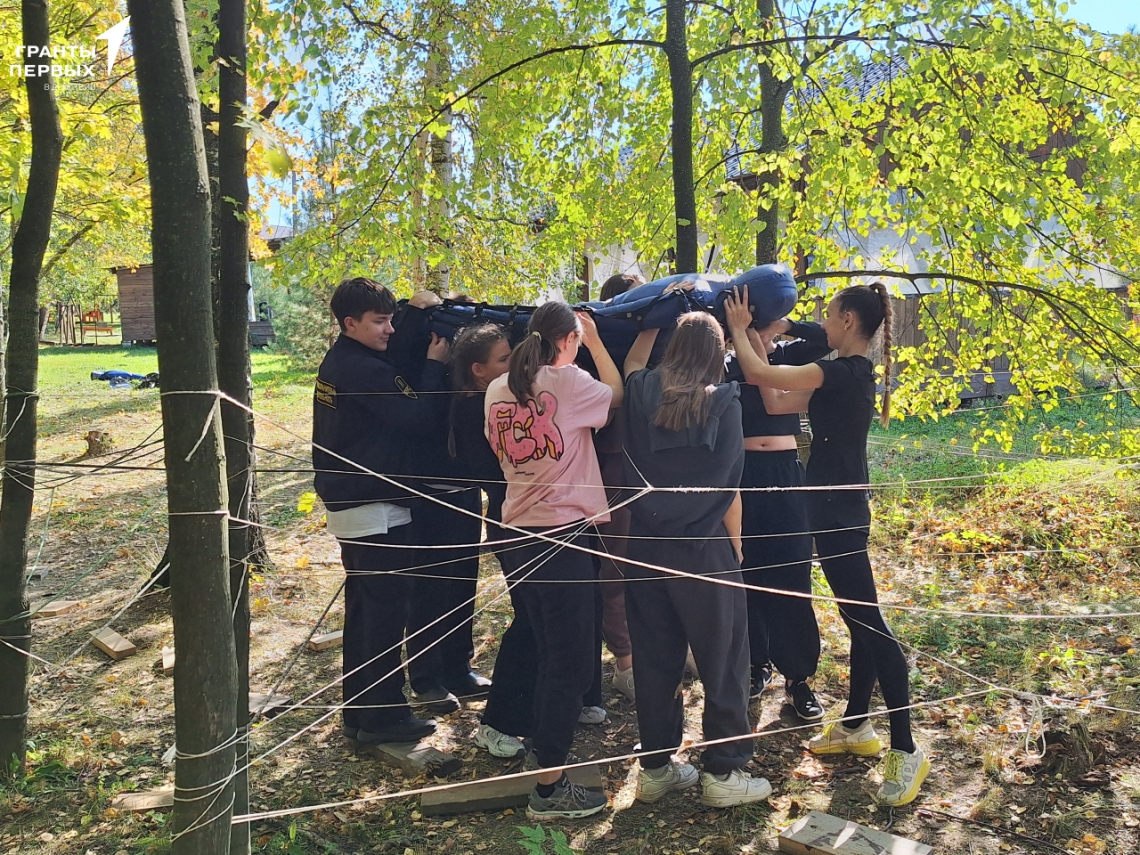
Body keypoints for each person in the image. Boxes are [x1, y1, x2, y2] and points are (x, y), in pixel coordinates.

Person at [724, 283, 930, 807]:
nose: (824, 322)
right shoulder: (843, 371)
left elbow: (759, 374)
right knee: (856, 617)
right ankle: (857, 725)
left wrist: (740, 329)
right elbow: (773, 396)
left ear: (850, 322)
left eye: (831, 315)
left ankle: (906, 749)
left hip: (839, 514)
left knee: (872, 626)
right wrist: (770, 331)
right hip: (830, 508)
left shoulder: (841, 371)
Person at [620, 313, 773, 809]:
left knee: (655, 657)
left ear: (674, 346)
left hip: (644, 548)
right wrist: (739, 544)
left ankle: (658, 768)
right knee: (724, 658)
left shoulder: (641, 390)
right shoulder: (726, 401)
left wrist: (649, 320)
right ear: (717, 351)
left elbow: (634, 365)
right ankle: (724, 772)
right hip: (705, 548)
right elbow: (731, 486)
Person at [485, 301, 624, 819]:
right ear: (568, 339)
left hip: (518, 535)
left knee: (548, 650)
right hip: (562, 536)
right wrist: (597, 344)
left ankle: (541, 758)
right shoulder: (569, 383)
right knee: (569, 664)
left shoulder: (499, 388)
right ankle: (548, 788)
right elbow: (618, 395)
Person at [311, 277, 449, 745]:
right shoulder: (363, 370)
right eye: (380, 321)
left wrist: (414, 313)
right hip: (374, 508)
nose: (389, 330)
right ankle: (382, 716)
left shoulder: (345, 359)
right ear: (349, 323)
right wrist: (432, 367)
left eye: (392, 319)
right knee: (386, 613)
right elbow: (419, 417)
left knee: (366, 613)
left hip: (355, 501)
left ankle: (361, 711)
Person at [726, 319, 830, 720]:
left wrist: (779, 324)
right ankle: (756, 664)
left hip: (786, 473)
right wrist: (741, 336)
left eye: (764, 328)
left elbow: (823, 339)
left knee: (792, 575)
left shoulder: (786, 357)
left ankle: (798, 679)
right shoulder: (727, 365)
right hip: (742, 474)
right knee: (747, 572)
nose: (759, 336)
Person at [447, 323, 534, 759]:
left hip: (531, 520)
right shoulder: (472, 408)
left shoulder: (507, 397)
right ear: (478, 370)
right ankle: (498, 721)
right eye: (504, 359)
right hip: (512, 521)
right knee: (531, 620)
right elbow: (493, 472)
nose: (513, 365)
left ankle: (541, 707)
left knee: (542, 618)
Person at [593, 271, 646, 702]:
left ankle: (659, 648)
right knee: (617, 564)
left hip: (652, 469)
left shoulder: (650, 343)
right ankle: (626, 661)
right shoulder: (599, 351)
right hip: (612, 470)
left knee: (652, 563)